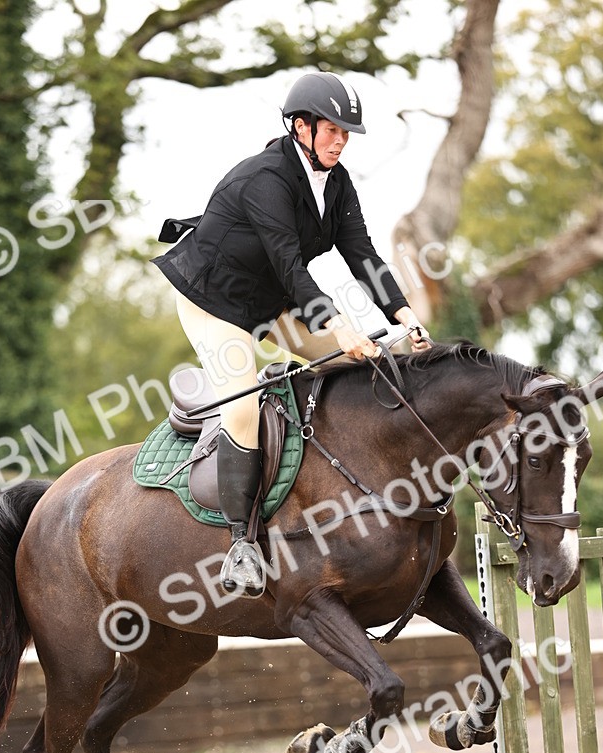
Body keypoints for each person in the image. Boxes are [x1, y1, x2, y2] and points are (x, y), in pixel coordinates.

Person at [153, 71, 431, 598]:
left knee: (362, 360)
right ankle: (241, 545)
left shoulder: (338, 181)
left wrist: (403, 314)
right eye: (332, 130)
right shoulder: (266, 179)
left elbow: (363, 256)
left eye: (347, 133)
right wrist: (335, 324)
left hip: (272, 301)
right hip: (214, 300)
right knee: (241, 405)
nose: (341, 140)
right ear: (299, 126)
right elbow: (290, 265)